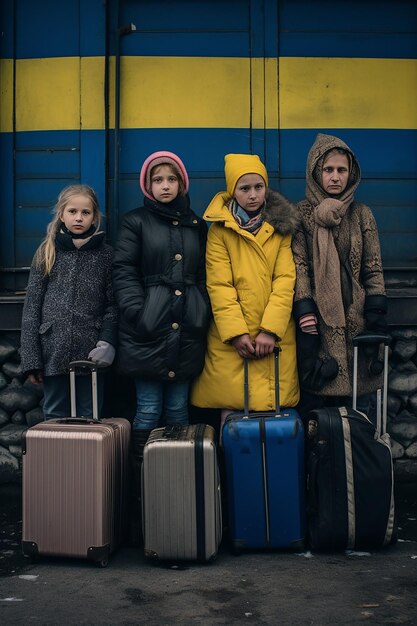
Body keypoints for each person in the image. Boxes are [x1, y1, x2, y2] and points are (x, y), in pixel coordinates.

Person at [112, 150, 210, 539]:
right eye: (158, 180)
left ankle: (177, 497)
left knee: (178, 409)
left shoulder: (198, 224)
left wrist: (200, 310)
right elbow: (123, 270)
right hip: (147, 333)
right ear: (147, 185)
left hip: (186, 330)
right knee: (149, 409)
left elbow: (204, 272)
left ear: (182, 183)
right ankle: (140, 502)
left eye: (171, 179)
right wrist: (139, 312)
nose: (165, 186)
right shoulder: (135, 221)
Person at [191, 153, 299, 429]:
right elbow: (219, 286)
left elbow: (285, 280)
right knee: (231, 414)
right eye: (244, 188)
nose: (253, 195)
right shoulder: (219, 232)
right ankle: (235, 473)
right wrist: (237, 333)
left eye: (258, 187)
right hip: (232, 340)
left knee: (274, 416)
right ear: (232, 191)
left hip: (273, 338)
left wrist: (270, 330)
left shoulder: (280, 228)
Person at [292, 133, 387, 416]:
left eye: (341, 170)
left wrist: (376, 311)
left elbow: (373, 266)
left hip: (359, 320)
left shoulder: (361, 214)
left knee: (360, 410)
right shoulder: (301, 214)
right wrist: (305, 309)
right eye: (328, 170)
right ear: (315, 173)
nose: (335, 177)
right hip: (318, 323)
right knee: (320, 413)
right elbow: (299, 267)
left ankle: (356, 458)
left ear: (351, 173)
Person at [20, 184, 117, 419]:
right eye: (72, 211)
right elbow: (32, 306)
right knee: (54, 413)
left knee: (90, 415)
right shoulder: (47, 252)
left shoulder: (106, 255)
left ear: (95, 218)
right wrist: (32, 359)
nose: (78, 218)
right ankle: (55, 458)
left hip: (91, 352)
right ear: (62, 214)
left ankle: (88, 458)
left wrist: (107, 342)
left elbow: (113, 306)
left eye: (86, 213)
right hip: (53, 350)